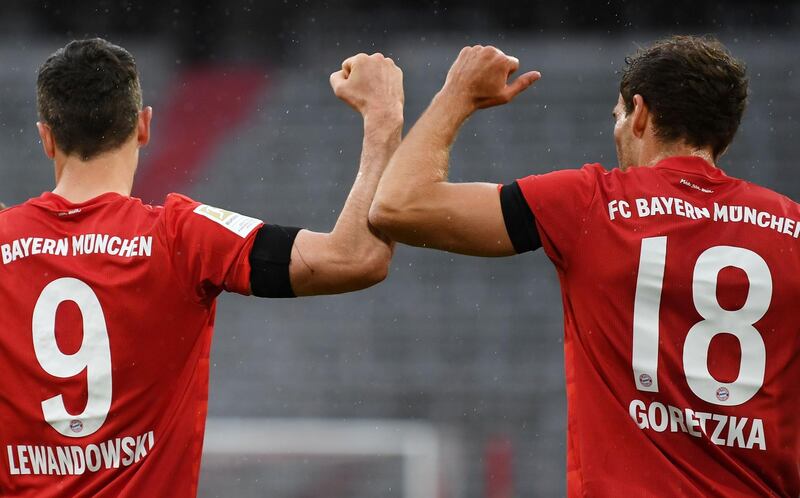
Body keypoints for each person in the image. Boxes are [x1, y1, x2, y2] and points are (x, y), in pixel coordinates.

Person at [370, 36, 798, 496]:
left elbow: (398, 207)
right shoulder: (791, 227)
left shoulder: (593, 202)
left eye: (617, 117)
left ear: (640, 114)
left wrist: (457, 95)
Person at [0, 38, 402, 497]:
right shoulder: (180, 235)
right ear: (144, 126)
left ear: (46, 137)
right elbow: (356, 258)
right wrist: (383, 121)